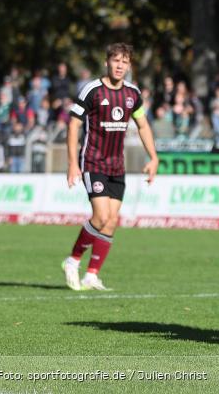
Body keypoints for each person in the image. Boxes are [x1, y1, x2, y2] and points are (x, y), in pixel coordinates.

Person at [62, 43, 159, 291]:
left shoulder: (133, 94)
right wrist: (72, 163)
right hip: (93, 162)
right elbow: (73, 125)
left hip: (117, 166)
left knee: (111, 221)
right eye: (116, 60)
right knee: (101, 217)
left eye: (124, 62)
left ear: (129, 66)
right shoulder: (92, 90)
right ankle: (72, 260)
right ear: (107, 62)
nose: (120, 66)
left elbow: (143, 125)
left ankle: (91, 275)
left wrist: (154, 157)